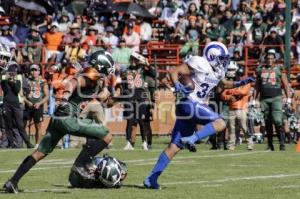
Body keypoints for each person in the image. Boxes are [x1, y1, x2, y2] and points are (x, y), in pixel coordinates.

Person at [143, 41, 255, 189]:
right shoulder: (200, 62)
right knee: (221, 123)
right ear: (211, 56)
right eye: (221, 58)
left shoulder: (218, 71)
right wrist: (177, 84)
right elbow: (174, 72)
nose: (224, 61)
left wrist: (241, 82)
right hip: (189, 103)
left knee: (174, 146)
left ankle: (151, 179)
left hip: (190, 109)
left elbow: (222, 85)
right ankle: (192, 139)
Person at [3, 50, 116, 194]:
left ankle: (12, 182)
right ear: (102, 65)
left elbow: (107, 103)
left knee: (39, 153)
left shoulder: (98, 81)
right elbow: (73, 83)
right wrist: (64, 98)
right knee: (106, 136)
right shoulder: (90, 74)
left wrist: (116, 97)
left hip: (58, 118)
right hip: (67, 117)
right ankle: (80, 165)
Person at [253, 49, 290, 151]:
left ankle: (282, 143)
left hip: (276, 98)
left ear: (274, 59)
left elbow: (285, 84)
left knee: (278, 120)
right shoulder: (260, 69)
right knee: (267, 122)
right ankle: (270, 145)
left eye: (271, 58)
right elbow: (257, 86)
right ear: (265, 59)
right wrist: (254, 98)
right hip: (264, 99)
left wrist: (288, 97)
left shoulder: (279, 69)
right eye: (268, 58)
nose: (269, 60)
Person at [121, 52, 155, 151]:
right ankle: (129, 142)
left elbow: (153, 74)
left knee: (141, 121)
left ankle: (144, 142)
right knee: (130, 121)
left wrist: (147, 64)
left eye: (134, 59)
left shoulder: (143, 69)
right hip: (129, 96)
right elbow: (123, 85)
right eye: (132, 59)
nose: (133, 61)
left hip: (140, 95)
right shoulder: (126, 70)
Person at [220, 61, 253, 150]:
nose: (239, 76)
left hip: (242, 108)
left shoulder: (246, 82)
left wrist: (231, 92)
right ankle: (231, 145)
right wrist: (229, 97)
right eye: (238, 74)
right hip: (232, 108)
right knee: (231, 129)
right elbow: (223, 94)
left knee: (244, 127)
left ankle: (250, 143)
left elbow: (243, 92)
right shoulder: (231, 82)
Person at [1, 62, 33, 149]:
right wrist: (8, 80)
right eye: (10, 73)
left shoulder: (18, 81)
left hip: (15, 105)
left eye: (14, 73)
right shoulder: (4, 82)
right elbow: (6, 90)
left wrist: (12, 81)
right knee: (8, 125)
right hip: (7, 104)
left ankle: (28, 143)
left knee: (20, 125)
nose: (12, 75)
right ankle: (11, 143)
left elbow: (16, 90)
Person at [23, 64, 49, 148]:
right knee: (24, 125)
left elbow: (47, 96)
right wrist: (27, 102)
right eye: (32, 70)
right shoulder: (26, 81)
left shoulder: (43, 81)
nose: (34, 72)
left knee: (38, 126)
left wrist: (40, 103)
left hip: (38, 106)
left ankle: (37, 145)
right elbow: (21, 94)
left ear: (39, 71)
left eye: (35, 70)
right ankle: (27, 143)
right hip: (28, 106)